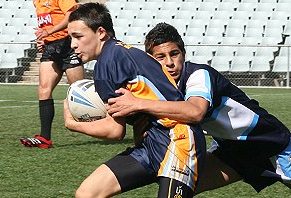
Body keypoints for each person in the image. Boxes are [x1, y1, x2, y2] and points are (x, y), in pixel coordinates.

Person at [107, 22, 291, 193]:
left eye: (174, 53)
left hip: (271, 145)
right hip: (231, 150)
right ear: (150, 61)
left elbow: (196, 111)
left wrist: (138, 104)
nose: (169, 62)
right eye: (161, 57)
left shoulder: (197, 74)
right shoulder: (156, 90)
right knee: (181, 183)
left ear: (184, 54)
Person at [64, 2, 206, 198]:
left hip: (177, 140)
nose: (73, 44)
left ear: (101, 32)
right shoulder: (120, 51)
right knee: (88, 193)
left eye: (78, 37)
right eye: (71, 38)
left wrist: (73, 125)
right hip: (152, 142)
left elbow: (114, 130)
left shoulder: (107, 64)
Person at [20, 0, 85, 148]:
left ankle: (108, 124)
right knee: (43, 90)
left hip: (68, 45)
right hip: (50, 48)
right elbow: (47, 24)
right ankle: (45, 138)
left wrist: (49, 32)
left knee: (79, 91)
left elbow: (71, 15)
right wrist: (46, 39)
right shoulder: (36, 1)